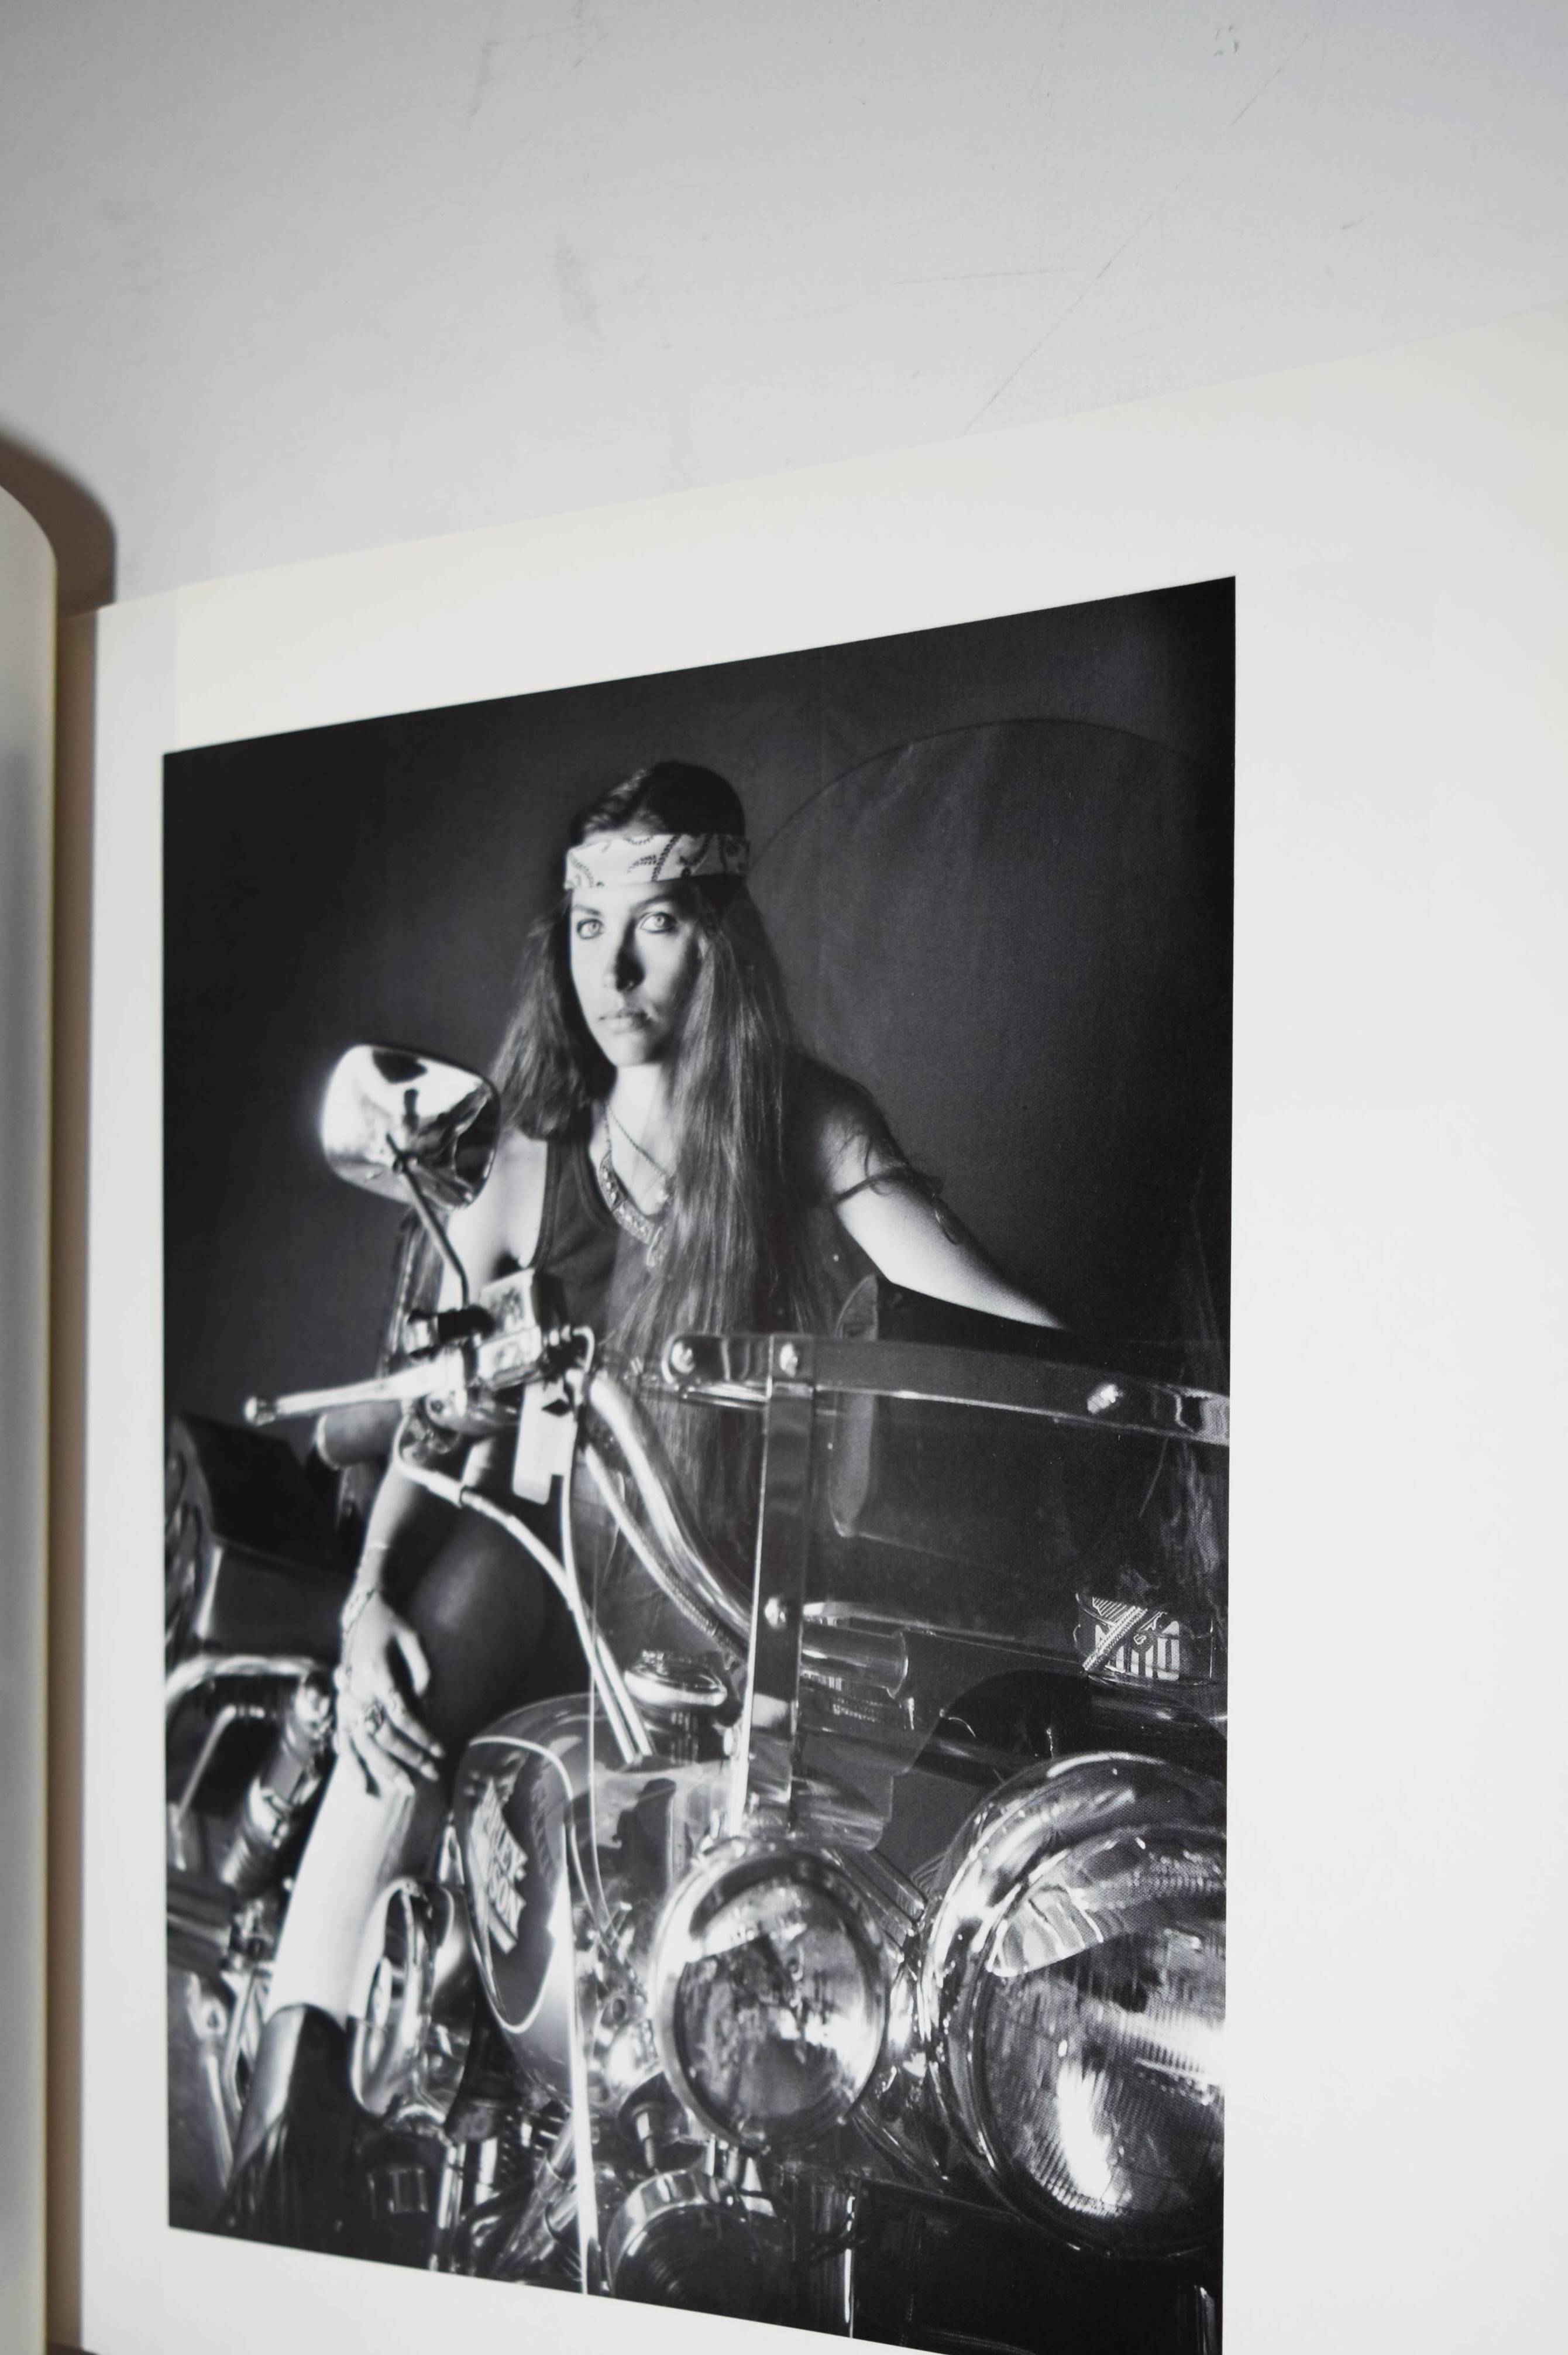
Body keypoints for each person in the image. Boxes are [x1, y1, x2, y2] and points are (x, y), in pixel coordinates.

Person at [222, 759, 1056, 2234]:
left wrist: (1114, 1386)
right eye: (588, 924)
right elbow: (425, 1411)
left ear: (717, 937)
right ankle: (290, 2135)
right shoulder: (519, 1163)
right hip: (547, 1566)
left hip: (720, 1587)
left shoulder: (804, 1128)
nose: (611, 969)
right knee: (407, 1684)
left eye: (655, 923)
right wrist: (366, 1608)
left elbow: (993, 1317)